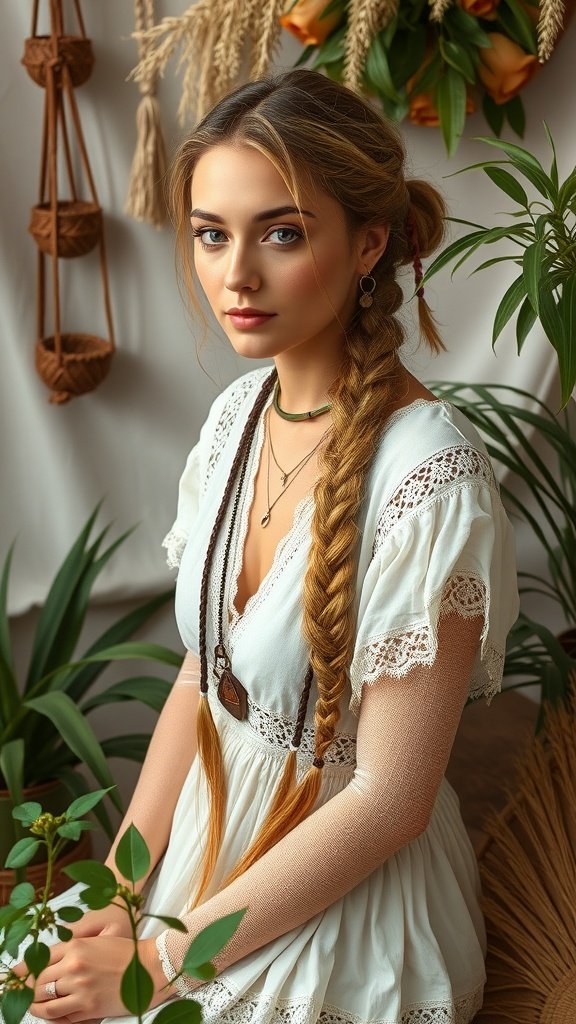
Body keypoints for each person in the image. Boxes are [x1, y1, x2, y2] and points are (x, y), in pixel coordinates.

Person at [5, 69, 519, 1024]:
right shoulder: (238, 417)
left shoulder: (431, 479)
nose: (235, 274)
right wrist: (122, 902)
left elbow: (388, 803)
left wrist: (155, 966)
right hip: (206, 843)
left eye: (281, 233)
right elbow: (202, 678)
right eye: (211, 234)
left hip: (344, 896)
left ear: (370, 243)